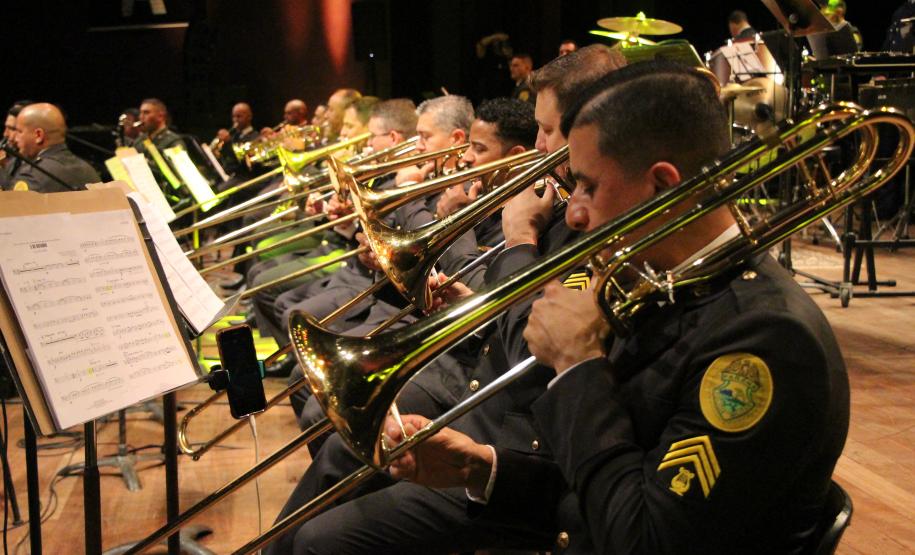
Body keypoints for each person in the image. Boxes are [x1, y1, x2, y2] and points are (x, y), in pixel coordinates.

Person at [387, 61, 850, 554]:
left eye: (588, 185)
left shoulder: (765, 340)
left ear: (663, 186)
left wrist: (576, 365)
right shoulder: (656, 279)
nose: (573, 212)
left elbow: (643, 540)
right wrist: (481, 470)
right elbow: (600, 489)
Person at [263, 45, 628, 555]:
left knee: (323, 536)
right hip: (480, 382)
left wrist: (516, 241)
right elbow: (508, 302)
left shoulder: (581, 213)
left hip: (513, 430)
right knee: (338, 453)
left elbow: (538, 349)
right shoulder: (554, 198)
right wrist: (469, 292)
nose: (537, 145)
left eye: (546, 129)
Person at [5, 103, 100, 192]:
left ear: (38, 135)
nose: (15, 138)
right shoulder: (89, 170)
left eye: (19, 131)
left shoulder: (33, 176)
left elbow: (12, 203)